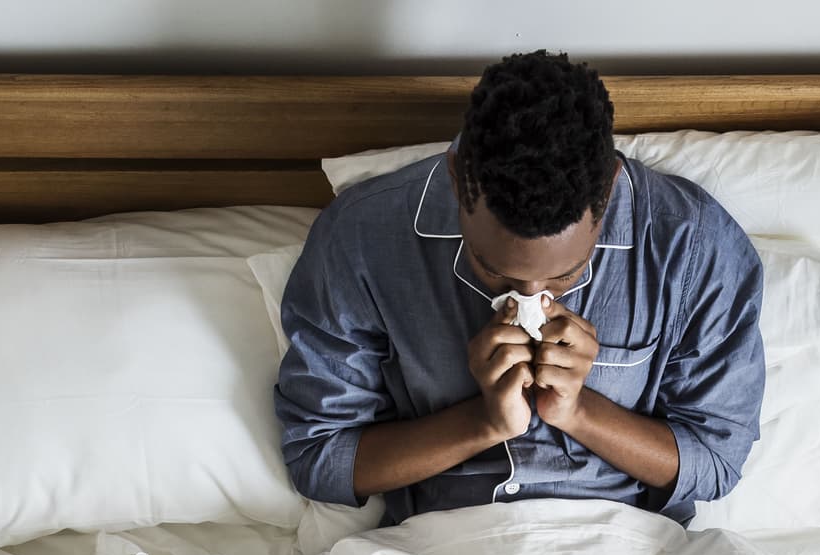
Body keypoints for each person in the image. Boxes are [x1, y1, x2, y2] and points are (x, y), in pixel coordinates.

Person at [275, 50, 764, 526]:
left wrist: (578, 412)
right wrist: (483, 423)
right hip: (445, 548)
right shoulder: (363, 236)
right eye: (492, 269)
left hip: (627, 546)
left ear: (607, 191)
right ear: (456, 179)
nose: (531, 298)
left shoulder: (694, 243)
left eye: (565, 274)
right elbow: (320, 458)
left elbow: (714, 462)